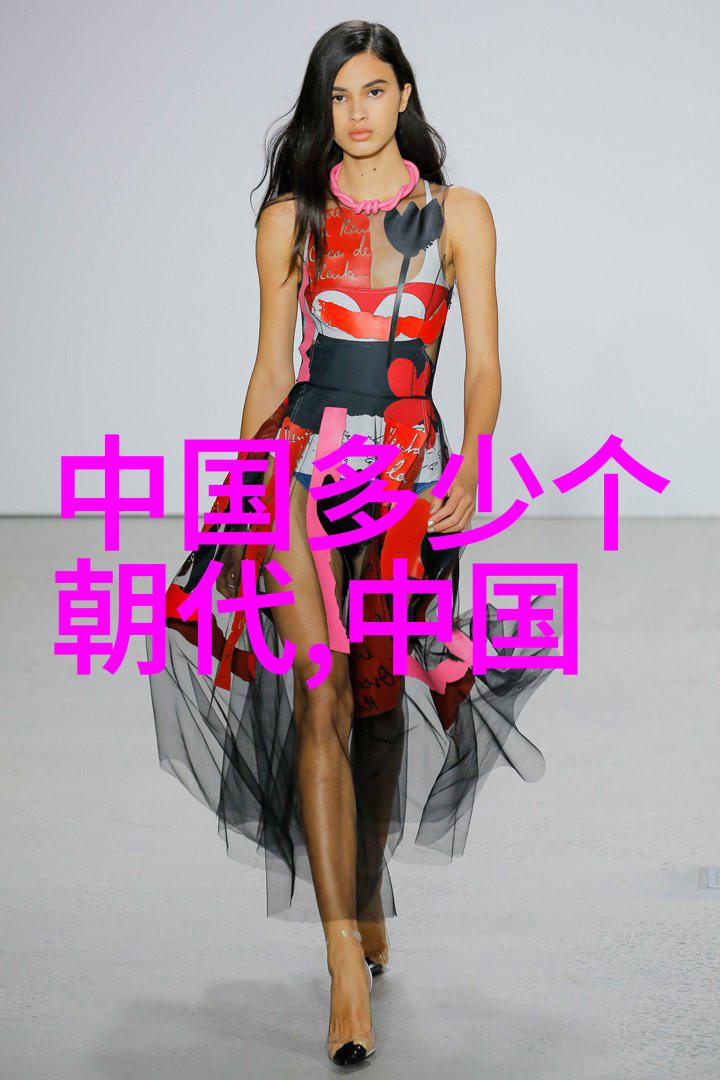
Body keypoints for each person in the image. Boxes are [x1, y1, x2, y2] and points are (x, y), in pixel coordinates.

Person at [146, 19, 560, 1068]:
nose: (357, 112)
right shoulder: (292, 219)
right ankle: (341, 962)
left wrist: (476, 463)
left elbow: (483, 364)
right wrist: (234, 507)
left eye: (374, 90)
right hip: (296, 469)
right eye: (338, 96)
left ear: (405, 94)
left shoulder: (459, 215)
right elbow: (270, 369)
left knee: (379, 708)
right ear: (323, 108)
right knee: (321, 688)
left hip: (409, 479)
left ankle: (366, 892)